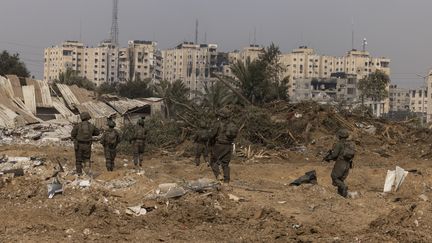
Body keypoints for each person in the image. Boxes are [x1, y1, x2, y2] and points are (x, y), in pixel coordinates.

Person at [323, 129, 355, 198]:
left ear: (340, 136)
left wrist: (328, 158)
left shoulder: (339, 144)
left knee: (334, 177)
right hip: (348, 164)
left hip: (341, 163)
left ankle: (344, 187)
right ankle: (341, 195)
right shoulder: (349, 144)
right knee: (340, 179)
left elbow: (334, 155)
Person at [209, 108, 238, 184]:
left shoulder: (218, 124)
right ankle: (227, 181)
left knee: (213, 162)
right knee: (225, 164)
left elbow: (212, 135)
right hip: (229, 146)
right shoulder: (232, 124)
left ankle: (218, 176)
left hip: (219, 145)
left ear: (221, 116)